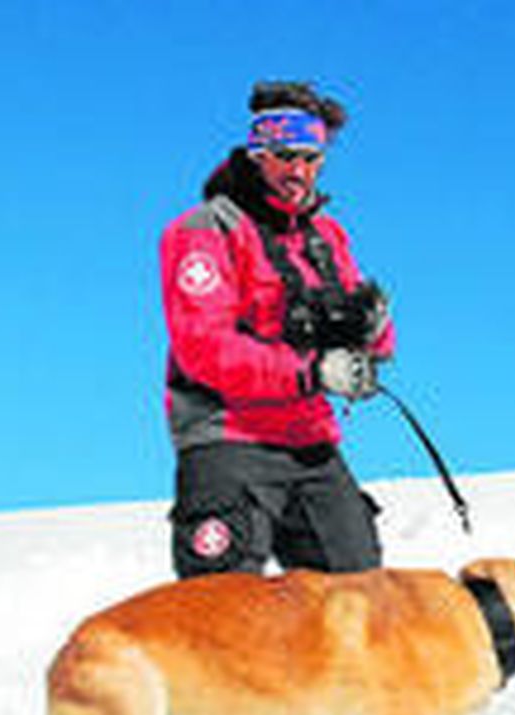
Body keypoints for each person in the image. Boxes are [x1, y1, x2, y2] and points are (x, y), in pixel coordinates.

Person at [158, 80, 394, 578]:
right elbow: (205, 348)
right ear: (258, 153)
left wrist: (370, 334)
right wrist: (312, 372)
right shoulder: (204, 230)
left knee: (362, 601)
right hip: (228, 440)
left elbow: (369, 340)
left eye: (312, 158)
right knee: (225, 615)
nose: (299, 171)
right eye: (286, 156)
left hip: (310, 444)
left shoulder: (327, 237)